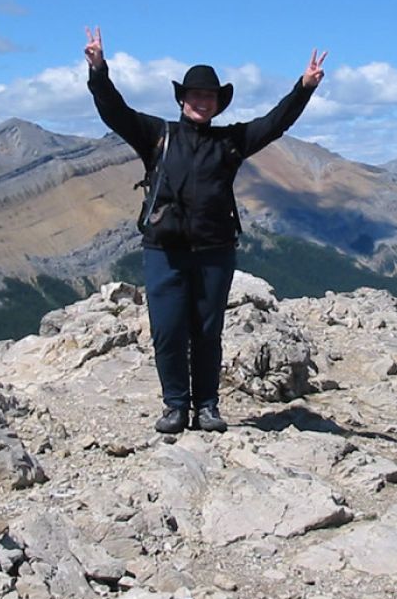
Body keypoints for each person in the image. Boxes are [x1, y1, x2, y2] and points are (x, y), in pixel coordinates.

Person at [84, 26, 327, 433]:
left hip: (215, 252)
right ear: (182, 100)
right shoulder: (157, 135)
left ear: (217, 104)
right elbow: (115, 112)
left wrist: (303, 88)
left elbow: (274, 124)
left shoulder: (230, 141)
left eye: (209, 97)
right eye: (195, 96)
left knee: (207, 332)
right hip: (164, 251)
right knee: (167, 331)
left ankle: (207, 407)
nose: (202, 102)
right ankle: (176, 406)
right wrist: (98, 71)